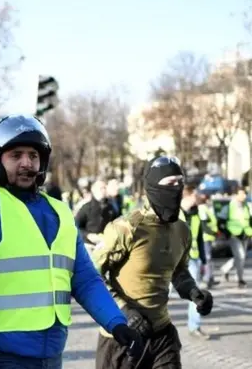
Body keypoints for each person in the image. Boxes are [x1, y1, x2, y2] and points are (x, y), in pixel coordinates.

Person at [0, 62, 141, 368]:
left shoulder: (60, 211)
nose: (27, 163)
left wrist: (116, 323)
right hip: (1, 357)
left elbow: (85, 279)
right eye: (16, 155)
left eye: (34, 155)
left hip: (52, 356)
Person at [92, 156, 214, 368]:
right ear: (153, 187)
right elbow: (92, 275)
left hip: (162, 336)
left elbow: (179, 271)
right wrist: (124, 311)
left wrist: (195, 293)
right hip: (121, 338)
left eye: (180, 182)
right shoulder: (126, 228)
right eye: (170, 183)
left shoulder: (182, 230)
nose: (177, 188)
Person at [179, 185, 210, 339]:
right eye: (194, 196)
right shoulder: (175, 214)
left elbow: (199, 239)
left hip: (193, 259)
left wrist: (203, 261)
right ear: (187, 197)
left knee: (195, 292)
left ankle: (195, 326)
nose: (196, 198)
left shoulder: (196, 214)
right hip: (174, 260)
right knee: (161, 293)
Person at [216, 187, 250, 288]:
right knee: (241, 256)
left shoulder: (246, 206)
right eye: (241, 194)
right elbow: (220, 221)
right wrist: (226, 233)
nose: (244, 196)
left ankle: (225, 269)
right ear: (236, 195)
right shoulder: (228, 207)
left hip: (245, 234)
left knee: (240, 257)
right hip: (234, 235)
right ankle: (240, 279)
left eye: (245, 194)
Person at [75, 179, 119, 251]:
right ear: (94, 190)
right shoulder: (86, 208)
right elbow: (75, 226)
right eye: (101, 188)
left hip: (106, 245)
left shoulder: (111, 208)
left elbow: (116, 224)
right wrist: (88, 235)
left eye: (104, 187)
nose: (103, 190)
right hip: (89, 246)